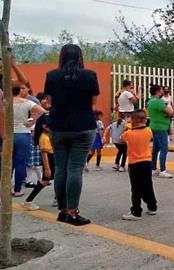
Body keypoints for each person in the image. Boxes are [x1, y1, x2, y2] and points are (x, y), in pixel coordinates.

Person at [44, 44, 99, 225]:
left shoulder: (52, 75)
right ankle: (72, 212)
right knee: (75, 168)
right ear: (80, 57)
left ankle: (62, 210)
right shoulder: (89, 75)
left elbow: (49, 101)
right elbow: (93, 102)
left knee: (60, 168)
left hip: (58, 126)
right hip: (83, 126)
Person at [121, 110, 157, 220]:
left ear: (133, 121)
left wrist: (127, 127)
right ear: (145, 120)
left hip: (134, 163)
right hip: (147, 162)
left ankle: (136, 211)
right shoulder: (149, 130)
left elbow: (121, 140)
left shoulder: (129, 133)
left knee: (136, 188)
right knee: (147, 184)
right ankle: (152, 206)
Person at [12, 86, 46, 197]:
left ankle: (6, 188)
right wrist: (33, 120)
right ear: (19, 91)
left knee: (8, 163)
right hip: (23, 133)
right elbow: (43, 111)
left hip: (8, 133)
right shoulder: (27, 102)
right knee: (20, 162)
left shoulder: (5, 101)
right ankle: (17, 189)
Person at [22, 115, 55, 210]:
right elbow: (44, 155)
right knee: (45, 181)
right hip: (50, 161)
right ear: (44, 126)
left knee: (54, 180)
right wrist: (47, 169)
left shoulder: (47, 135)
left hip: (52, 159)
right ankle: (28, 201)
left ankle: (59, 199)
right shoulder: (44, 138)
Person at [147, 84, 174, 178]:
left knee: (155, 149)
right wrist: (169, 113)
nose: (163, 92)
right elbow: (170, 112)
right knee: (164, 148)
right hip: (161, 127)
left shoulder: (150, 101)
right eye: (161, 90)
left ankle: (153, 168)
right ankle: (163, 170)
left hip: (154, 126)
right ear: (158, 91)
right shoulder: (158, 102)